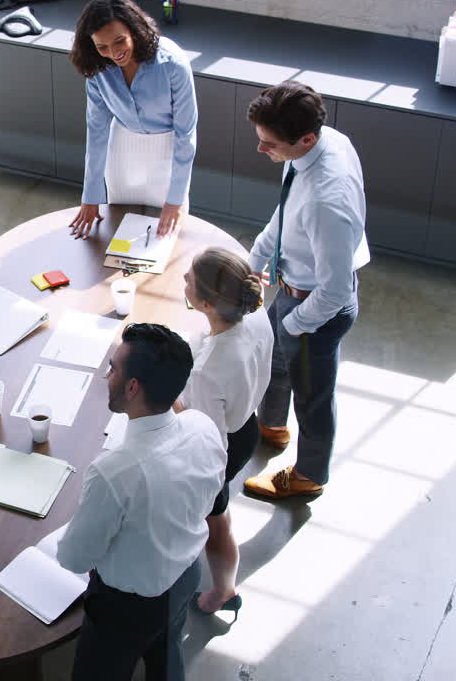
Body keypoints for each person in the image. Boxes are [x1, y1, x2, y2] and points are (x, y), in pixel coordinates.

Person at [57, 324, 226, 681]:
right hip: (185, 575)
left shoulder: (114, 472)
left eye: (114, 368)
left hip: (126, 609)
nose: (107, 375)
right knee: (166, 654)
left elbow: (74, 558)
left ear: (133, 387)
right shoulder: (202, 426)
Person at [240, 81, 368, 501]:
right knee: (276, 362)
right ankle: (272, 427)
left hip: (316, 305)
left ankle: (309, 475)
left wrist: (294, 323)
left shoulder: (326, 202)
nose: (261, 151)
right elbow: (284, 212)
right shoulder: (319, 145)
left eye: (269, 144)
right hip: (294, 286)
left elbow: (334, 290)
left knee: (313, 396)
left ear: (306, 139)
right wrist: (256, 261)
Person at [176, 248, 274, 618]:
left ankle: (223, 590)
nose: (183, 280)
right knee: (220, 511)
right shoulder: (256, 314)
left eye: (189, 280)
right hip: (247, 422)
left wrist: (167, 395)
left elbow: (204, 435)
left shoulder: (207, 371)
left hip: (220, 448)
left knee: (215, 522)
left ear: (206, 303)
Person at [68, 0, 198, 240]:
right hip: (123, 152)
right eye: (102, 46)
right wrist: (91, 194)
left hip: (169, 152)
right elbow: (96, 131)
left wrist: (175, 199)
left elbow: (186, 133)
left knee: (168, 240)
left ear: (134, 30)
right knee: (119, 235)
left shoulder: (173, 63)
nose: (113, 52)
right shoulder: (97, 68)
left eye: (119, 41)